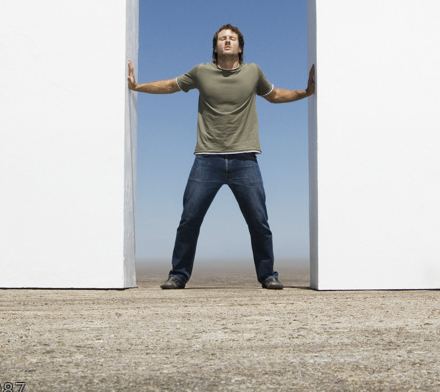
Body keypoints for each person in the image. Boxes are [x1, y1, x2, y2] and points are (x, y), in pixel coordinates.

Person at [128, 24, 315, 290]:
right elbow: (170, 85)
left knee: (259, 221)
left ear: (240, 46)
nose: (227, 42)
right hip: (207, 158)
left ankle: (268, 275)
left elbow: (274, 95)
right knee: (189, 219)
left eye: (232, 39)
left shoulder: (253, 72)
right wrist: (137, 86)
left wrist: (306, 92)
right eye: (222, 39)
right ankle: (178, 275)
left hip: (245, 160)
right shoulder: (201, 72)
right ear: (215, 46)